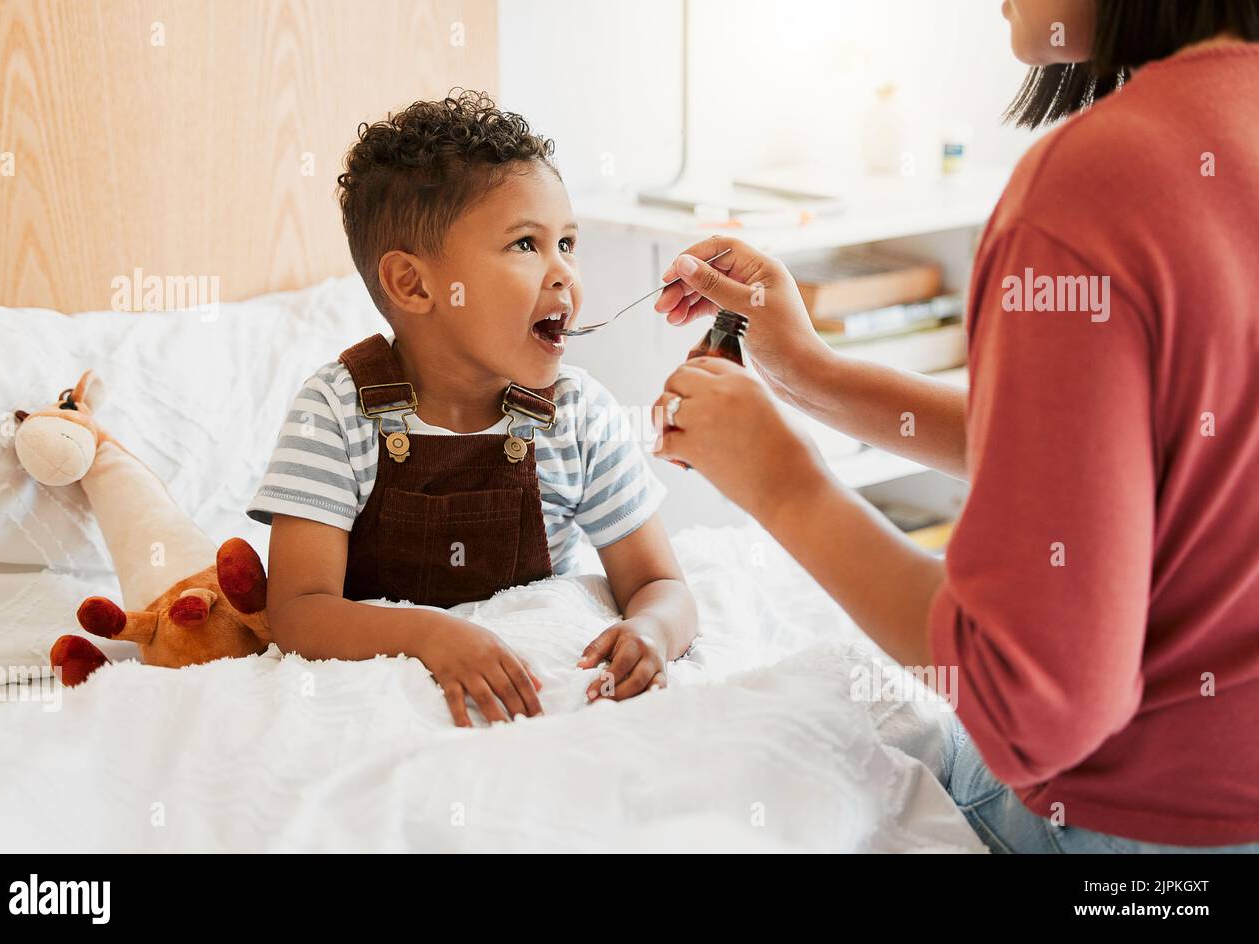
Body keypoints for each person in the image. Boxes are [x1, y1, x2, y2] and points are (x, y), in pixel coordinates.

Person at [650, 0, 1259, 852]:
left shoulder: (1096, 183)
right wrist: (815, 377)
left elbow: (1032, 707)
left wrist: (781, 483)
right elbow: (1146, 449)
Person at [247, 91, 697, 727]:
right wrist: (431, 636)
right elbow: (298, 612)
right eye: (524, 244)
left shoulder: (580, 415)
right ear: (414, 283)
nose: (564, 273)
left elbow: (663, 586)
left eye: (567, 242)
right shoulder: (336, 410)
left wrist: (652, 631)